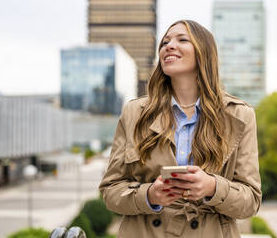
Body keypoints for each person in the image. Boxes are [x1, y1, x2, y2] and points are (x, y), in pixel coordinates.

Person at [99, 20, 262, 238]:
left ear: (204, 53)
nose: (169, 45)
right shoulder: (134, 113)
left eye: (182, 39)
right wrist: (151, 195)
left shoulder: (239, 115)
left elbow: (250, 201)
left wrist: (212, 187)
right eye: (165, 42)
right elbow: (111, 191)